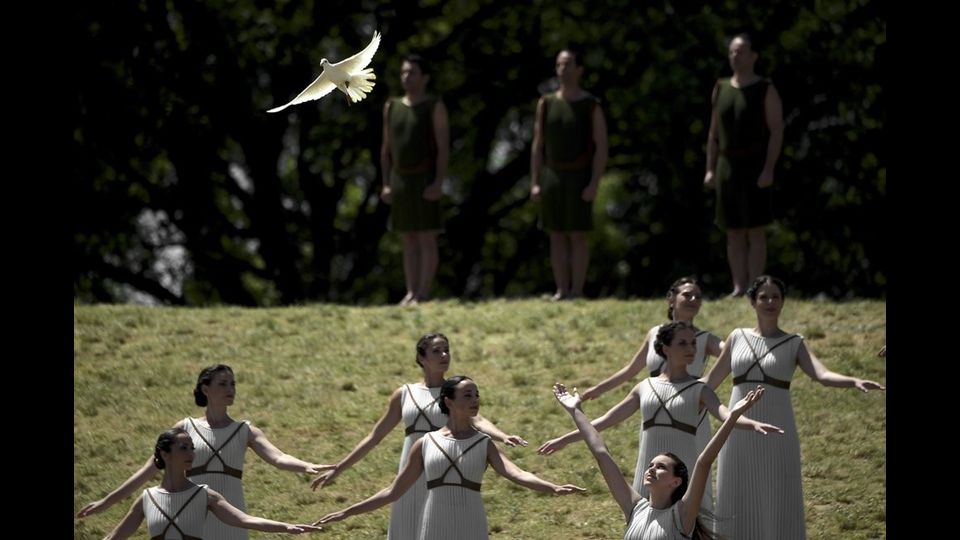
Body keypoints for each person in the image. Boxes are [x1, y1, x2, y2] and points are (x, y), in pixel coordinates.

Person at [704, 275, 885, 539]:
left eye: (775, 297)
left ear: (783, 302)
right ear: (753, 301)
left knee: (778, 493)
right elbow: (709, 382)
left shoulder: (794, 342)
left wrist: (853, 381)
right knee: (736, 490)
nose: (769, 302)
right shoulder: (737, 338)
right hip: (738, 431)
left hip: (779, 429)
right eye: (763, 297)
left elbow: (822, 375)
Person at [539, 321, 782, 513]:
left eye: (692, 344)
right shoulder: (645, 387)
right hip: (650, 469)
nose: (690, 349)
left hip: (682, 472)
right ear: (665, 348)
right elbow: (604, 421)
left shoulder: (700, 389)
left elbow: (725, 415)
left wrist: (751, 422)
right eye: (682, 344)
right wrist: (563, 440)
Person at [310, 334, 528, 540]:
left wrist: (503, 436)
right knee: (406, 526)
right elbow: (374, 437)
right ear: (421, 358)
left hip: (441, 469)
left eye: (446, 350)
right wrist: (338, 468)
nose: (444, 355)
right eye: (437, 351)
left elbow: (478, 420)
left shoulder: (454, 392)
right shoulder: (405, 393)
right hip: (411, 469)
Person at [77, 364, 333, 540]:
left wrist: (305, 465)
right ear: (205, 388)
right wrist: (106, 503)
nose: (230, 388)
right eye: (223, 383)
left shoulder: (244, 430)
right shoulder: (184, 430)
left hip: (232, 513)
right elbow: (146, 472)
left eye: (233, 383)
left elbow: (277, 457)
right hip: (191, 513)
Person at [314, 376, 584, 539]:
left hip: (471, 521)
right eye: (468, 395)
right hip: (433, 522)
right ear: (449, 401)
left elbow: (516, 473)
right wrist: (347, 512)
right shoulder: (425, 443)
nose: (475, 399)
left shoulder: (484, 443)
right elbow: (393, 492)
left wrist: (552, 487)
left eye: (477, 395)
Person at [551, 381, 767, 539]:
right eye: (651, 465)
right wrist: (575, 411)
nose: (651, 469)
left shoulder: (682, 516)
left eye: (661, 467)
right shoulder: (635, 508)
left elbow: (704, 462)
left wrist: (733, 417)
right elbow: (601, 452)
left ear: (676, 481)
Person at [103, 428, 322, 539]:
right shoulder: (147, 499)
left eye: (192, 447)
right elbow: (115, 538)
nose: (191, 454)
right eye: (183, 448)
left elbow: (244, 520)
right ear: (165, 454)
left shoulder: (205, 495)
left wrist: (285, 527)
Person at [703, 33, 784, 297]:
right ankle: (738, 286)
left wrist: (768, 168)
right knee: (733, 229)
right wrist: (711, 168)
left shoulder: (765, 89)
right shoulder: (721, 87)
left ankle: (755, 285)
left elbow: (776, 131)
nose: (735, 56)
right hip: (728, 165)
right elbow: (713, 133)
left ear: (753, 56)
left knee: (755, 229)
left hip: (755, 165)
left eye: (741, 51)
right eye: (732, 52)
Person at [530, 46, 608, 300]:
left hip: (579, 175)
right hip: (552, 175)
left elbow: (601, 146)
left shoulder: (590, 104)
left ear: (579, 70)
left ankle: (577, 289)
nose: (562, 70)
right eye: (559, 65)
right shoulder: (547, 103)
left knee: (577, 235)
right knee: (556, 234)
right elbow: (538, 144)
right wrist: (535, 181)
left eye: (567, 65)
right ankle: (561, 289)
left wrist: (594, 181)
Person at [380, 54, 449, 305]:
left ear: (425, 77)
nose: (407, 77)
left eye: (412, 73)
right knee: (408, 237)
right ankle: (410, 291)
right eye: (404, 73)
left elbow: (443, 148)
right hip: (401, 179)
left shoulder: (434, 106)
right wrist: (386, 182)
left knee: (426, 236)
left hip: (425, 177)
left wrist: (438, 182)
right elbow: (386, 149)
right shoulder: (392, 107)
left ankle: (423, 291)